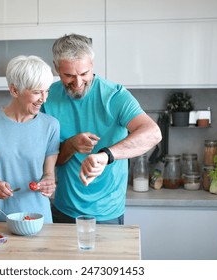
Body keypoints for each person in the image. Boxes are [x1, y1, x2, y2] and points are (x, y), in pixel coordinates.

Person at [42, 34, 162, 224]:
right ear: (56, 68)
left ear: (92, 64)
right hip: (64, 210)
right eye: (69, 75)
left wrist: (106, 155)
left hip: (108, 212)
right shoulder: (47, 97)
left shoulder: (114, 96)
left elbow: (153, 133)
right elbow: (48, 158)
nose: (78, 82)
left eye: (84, 73)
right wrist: (71, 145)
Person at [0, 55, 60, 223]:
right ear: (14, 90)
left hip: (37, 219)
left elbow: (48, 173)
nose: (44, 98)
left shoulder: (51, 125)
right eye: (36, 92)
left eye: (46, 90)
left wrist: (49, 182)